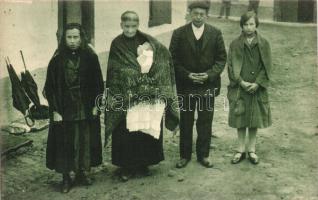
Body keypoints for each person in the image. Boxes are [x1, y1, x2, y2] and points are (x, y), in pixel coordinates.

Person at [105, 11, 179, 181]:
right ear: (121, 25)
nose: (130, 30)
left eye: (133, 26)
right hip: (125, 94)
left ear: (138, 25)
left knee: (145, 126)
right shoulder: (116, 44)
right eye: (126, 26)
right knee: (126, 130)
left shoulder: (147, 40)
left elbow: (163, 56)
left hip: (146, 93)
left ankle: (144, 162)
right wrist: (132, 76)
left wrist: (150, 76)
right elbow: (115, 68)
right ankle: (126, 166)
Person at [44, 23, 104, 193]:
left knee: (84, 141)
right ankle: (65, 177)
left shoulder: (90, 58)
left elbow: (98, 84)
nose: (72, 41)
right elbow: (50, 88)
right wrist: (55, 110)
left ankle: (83, 173)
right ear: (64, 39)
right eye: (69, 37)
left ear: (81, 37)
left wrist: (95, 105)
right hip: (65, 109)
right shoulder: (56, 61)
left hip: (85, 107)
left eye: (75, 37)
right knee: (66, 142)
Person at [169, 1, 227, 168]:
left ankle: (203, 155)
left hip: (207, 85)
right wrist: (187, 75)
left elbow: (221, 59)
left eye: (202, 14)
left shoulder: (215, 33)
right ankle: (184, 155)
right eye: (195, 13)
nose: (199, 17)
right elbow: (172, 59)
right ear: (189, 14)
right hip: (186, 86)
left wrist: (208, 75)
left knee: (205, 121)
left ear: (206, 15)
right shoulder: (179, 33)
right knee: (186, 121)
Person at [227, 11, 272, 165]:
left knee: (254, 119)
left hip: (256, 88)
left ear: (256, 25)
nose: (248, 27)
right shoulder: (235, 44)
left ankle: (251, 149)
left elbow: (267, 66)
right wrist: (240, 82)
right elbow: (231, 66)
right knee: (241, 117)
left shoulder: (264, 43)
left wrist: (258, 83)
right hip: (241, 87)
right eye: (245, 24)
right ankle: (240, 149)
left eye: (251, 24)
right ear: (242, 25)